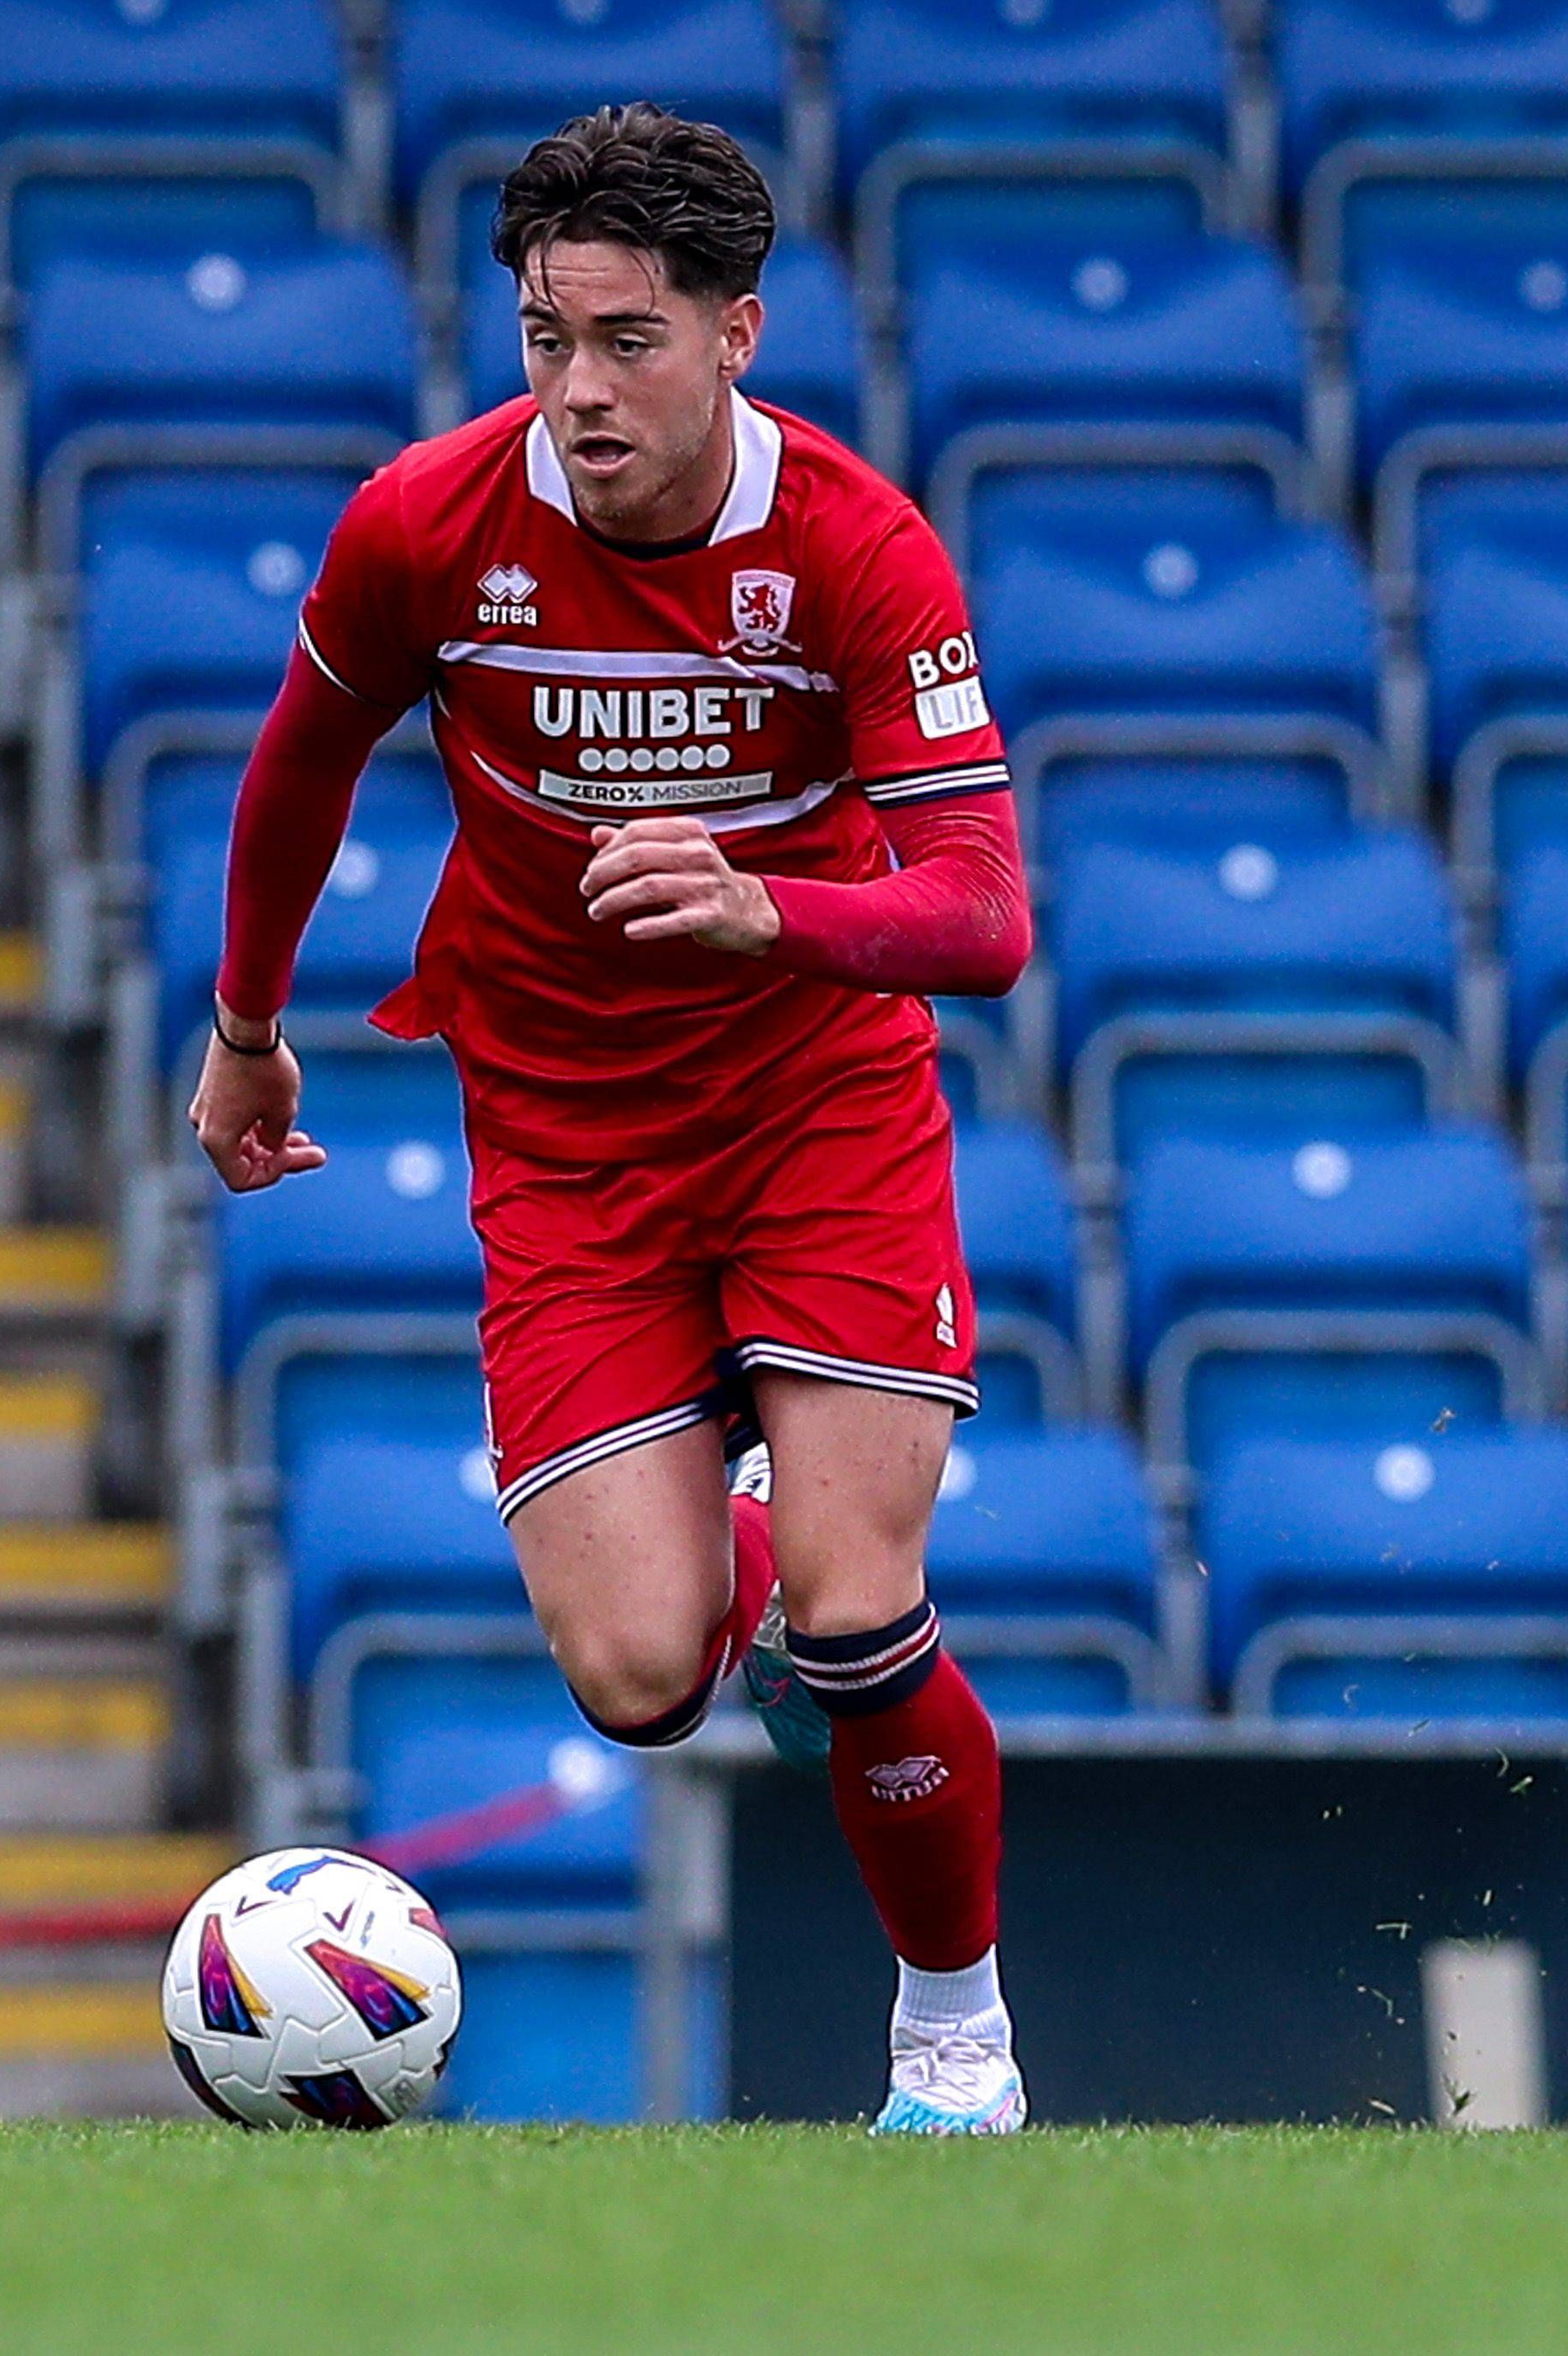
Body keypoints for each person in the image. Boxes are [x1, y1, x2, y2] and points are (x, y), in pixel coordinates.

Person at [193, 103, 1037, 2133]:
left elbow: (987, 920)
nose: (576, 388)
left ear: (740, 331)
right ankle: (721, 1539)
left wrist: (773, 908)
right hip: (567, 1144)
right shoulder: (426, 526)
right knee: (641, 1678)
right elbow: (302, 760)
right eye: (544, 335)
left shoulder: (854, 548)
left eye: (627, 341)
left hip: (814, 1108)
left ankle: (955, 2040)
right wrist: (247, 1027)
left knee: (856, 1613)